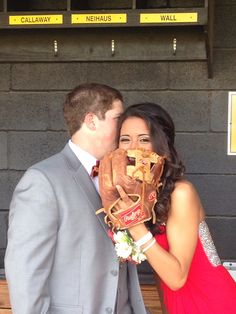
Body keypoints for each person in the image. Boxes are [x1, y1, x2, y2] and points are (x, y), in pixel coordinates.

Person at [4, 83, 147, 314]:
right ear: (91, 121)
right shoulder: (42, 181)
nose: (124, 129)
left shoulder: (120, 176)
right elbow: (26, 271)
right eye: (118, 119)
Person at [115, 102, 236, 314]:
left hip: (211, 302)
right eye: (125, 139)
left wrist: (134, 225)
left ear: (161, 144)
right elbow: (160, 270)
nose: (133, 147)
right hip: (177, 303)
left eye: (144, 139)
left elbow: (177, 278)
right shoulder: (145, 194)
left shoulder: (181, 193)